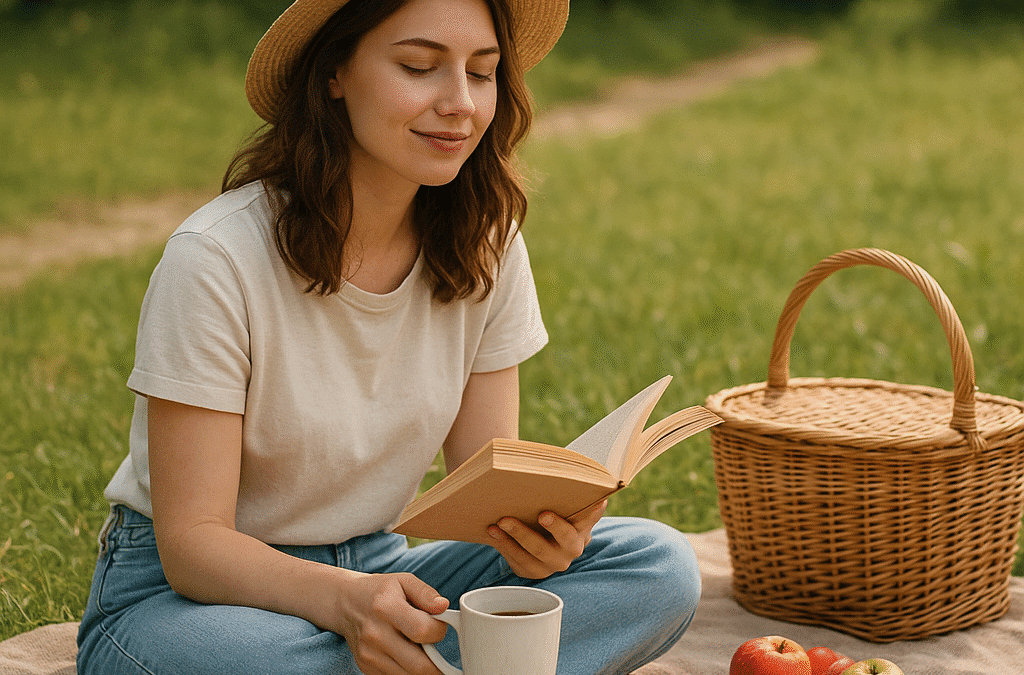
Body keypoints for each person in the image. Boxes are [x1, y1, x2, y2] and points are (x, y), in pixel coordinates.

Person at [76, 0, 701, 673]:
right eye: (419, 66)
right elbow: (194, 546)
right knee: (265, 658)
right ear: (334, 72)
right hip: (193, 600)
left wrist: (534, 538)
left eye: (482, 73)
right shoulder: (216, 258)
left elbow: (481, 485)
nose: (460, 104)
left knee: (657, 566)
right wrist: (347, 604)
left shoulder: (486, 245)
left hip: (377, 566)